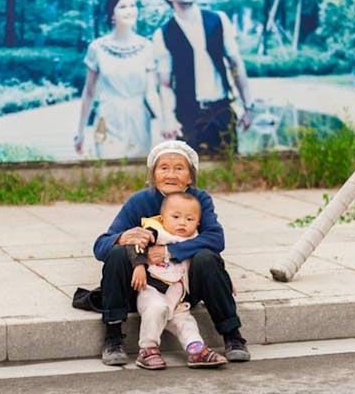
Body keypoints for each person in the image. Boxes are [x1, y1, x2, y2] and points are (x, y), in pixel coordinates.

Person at [93, 139, 250, 366]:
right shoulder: (140, 201)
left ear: (190, 176)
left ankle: (233, 337)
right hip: (143, 285)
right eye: (163, 168)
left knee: (207, 258)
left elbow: (216, 238)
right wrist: (121, 238)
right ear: (153, 174)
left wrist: (168, 250)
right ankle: (113, 337)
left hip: (183, 285)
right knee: (117, 254)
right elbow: (100, 247)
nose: (171, 175)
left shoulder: (199, 199)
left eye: (179, 168)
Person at [153, 0, 255, 155]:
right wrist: (168, 117)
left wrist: (247, 105)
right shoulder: (164, 34)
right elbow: (165, 84)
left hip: (221, 109)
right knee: (191, 177)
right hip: (188, 116)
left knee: (229, 170)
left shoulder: (218, 20)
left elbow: (236, 65)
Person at [128, 192, 227, 369]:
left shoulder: (195, 239)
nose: (182, 222)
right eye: (175, 217)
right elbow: (136, 245)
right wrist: (139, 266)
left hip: (178, 298)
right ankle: (148, 349)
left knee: (186, 322)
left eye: (189, 219)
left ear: (197, 222)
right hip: (152, 291)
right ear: (163, 218)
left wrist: (226, 279)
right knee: (156, 310)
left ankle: (196, 350)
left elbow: (212, 259)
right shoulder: (156, 231)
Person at [74, 0, 164, 159]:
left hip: (138, 118)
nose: (129, 11)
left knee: (137, 175)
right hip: (107, 117)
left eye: (132, 6)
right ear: (112, 15)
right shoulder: (97, 48)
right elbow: (89, 92)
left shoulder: (146, 47)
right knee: (109, 170)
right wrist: (80, 131)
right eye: (123, 7)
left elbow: (151, 92)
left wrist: (164, 122)